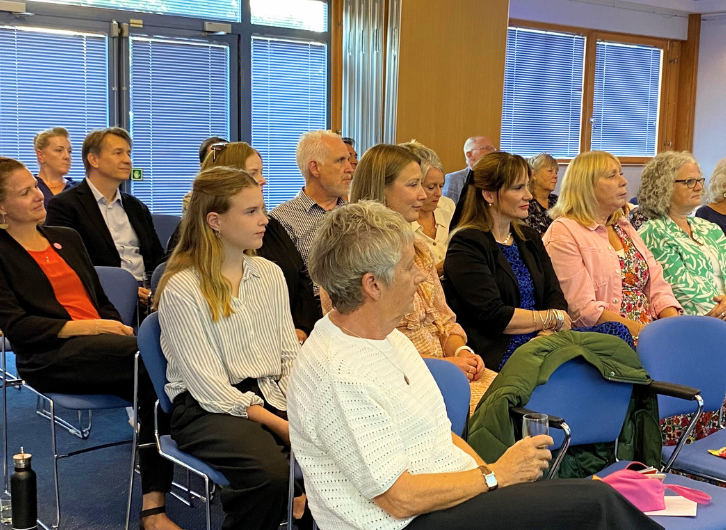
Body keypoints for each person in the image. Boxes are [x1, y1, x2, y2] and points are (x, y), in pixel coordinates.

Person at [288, 202, 714, 530]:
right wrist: (495, 477)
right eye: (407, 267)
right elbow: (399, 499)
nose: (420, 277)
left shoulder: (386, 337)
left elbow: (439, 435)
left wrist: (495, 483)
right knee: (595, 505)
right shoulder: (338, 372)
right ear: (372, 285)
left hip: (445, 509)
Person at [0, 152, 202, 530]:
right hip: (49, 356)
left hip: (107, 348)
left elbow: (100, 301)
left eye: (34, 186)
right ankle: (187, 476)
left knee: (157, 378)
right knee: (159, 367)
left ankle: (156, 508)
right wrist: (95, 328)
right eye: (24, 193)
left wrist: (116, 327)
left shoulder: (67, 238)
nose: (38, 195)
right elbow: (20, 329)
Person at [155, 166, 338, 530]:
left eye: (262, 208)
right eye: (251, 211)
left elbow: (288, 355)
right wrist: (282, 427)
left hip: (270, 395)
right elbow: (208, 386)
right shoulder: (183, 287)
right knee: (271, 472)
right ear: (215, 221)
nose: (265, 220)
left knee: (338, 447)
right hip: (205, 407)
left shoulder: (268, 274)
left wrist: (301, 409)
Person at [444, 152, 634, 370]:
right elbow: (494, 315)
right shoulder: (466, 243)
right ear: (489, 195)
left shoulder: (528, 238)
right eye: (518, 188)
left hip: (544, 339)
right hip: (503, 348)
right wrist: (550, 319)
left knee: (617, 333)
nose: (528, 195)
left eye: (527, 186)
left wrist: (547, 332)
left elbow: (555, 296)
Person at [341, 143, 493, 412]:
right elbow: (365, 350)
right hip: (401, 382)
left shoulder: (418, 249)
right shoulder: (352, 258)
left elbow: (444, 319)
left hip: (445, 367)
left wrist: (461, 352)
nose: (423, 194)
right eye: (413, 185)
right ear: (381, 189)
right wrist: (444, 366)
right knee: (498, 413)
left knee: (514, 397)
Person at [636, 151, 726, 447]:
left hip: (725, 323)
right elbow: (683, 289)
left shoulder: (708, 228)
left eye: (699, 179)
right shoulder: (652, 232)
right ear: (663, 186)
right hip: (690, 329)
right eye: (688, 181)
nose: (699, 186)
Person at [169, 142, 321, 339]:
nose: (263, 180)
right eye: (253, 173)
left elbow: (302, 280)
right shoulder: (185, 285)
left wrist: (301, 328)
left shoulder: (271, 242)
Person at [543, 151, 682, 344]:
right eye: (612, 175)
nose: (623, 182)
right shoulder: (564, 231)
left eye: (621, 174)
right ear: (586, 185)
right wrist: (647, 335)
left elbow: (658, 286)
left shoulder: (622, 226)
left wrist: (672, 328)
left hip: (651, 335)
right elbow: (582, 311)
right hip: (606, 341)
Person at [46, 127, 165, 310]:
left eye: (128, 153)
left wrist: (155, 289)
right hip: (101, 298)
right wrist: (125, 290)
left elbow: (157, 258)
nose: (127, 160)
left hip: (147, 299)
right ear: (93, 159)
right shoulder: (65, 205)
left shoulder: (136, 207)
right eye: (118, 153)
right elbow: (69, 265)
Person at [269, 130, 353, 275]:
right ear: (315, 168)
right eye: (340, 160)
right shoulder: (281, 220)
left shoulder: (358, 214)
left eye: (348, 159)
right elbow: (288, 281)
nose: (350, 169)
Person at [401, 140, 456, 273]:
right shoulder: (403, 221)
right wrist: (440, 269)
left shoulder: (448, 207)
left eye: (441, 186)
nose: (438, 193)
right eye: (431, 187)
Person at [443, 135, 495, 204]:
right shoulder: (453, 179)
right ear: (469, 154)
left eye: (493, 149)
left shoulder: (496, 178)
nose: (492, 152)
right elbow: (448, 208)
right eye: (486, 148)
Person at [33, 127, 75, 207]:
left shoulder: (77, 189)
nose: (67, 156)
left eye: (69, 151)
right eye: (59, 150)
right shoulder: (30, 188)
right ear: (40, 155)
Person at [525, 153, 558, 235]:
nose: (555, 176)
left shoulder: (557, 201)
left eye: (556, 172)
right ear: (534, 175)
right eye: (550, 171)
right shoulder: (526, 204)